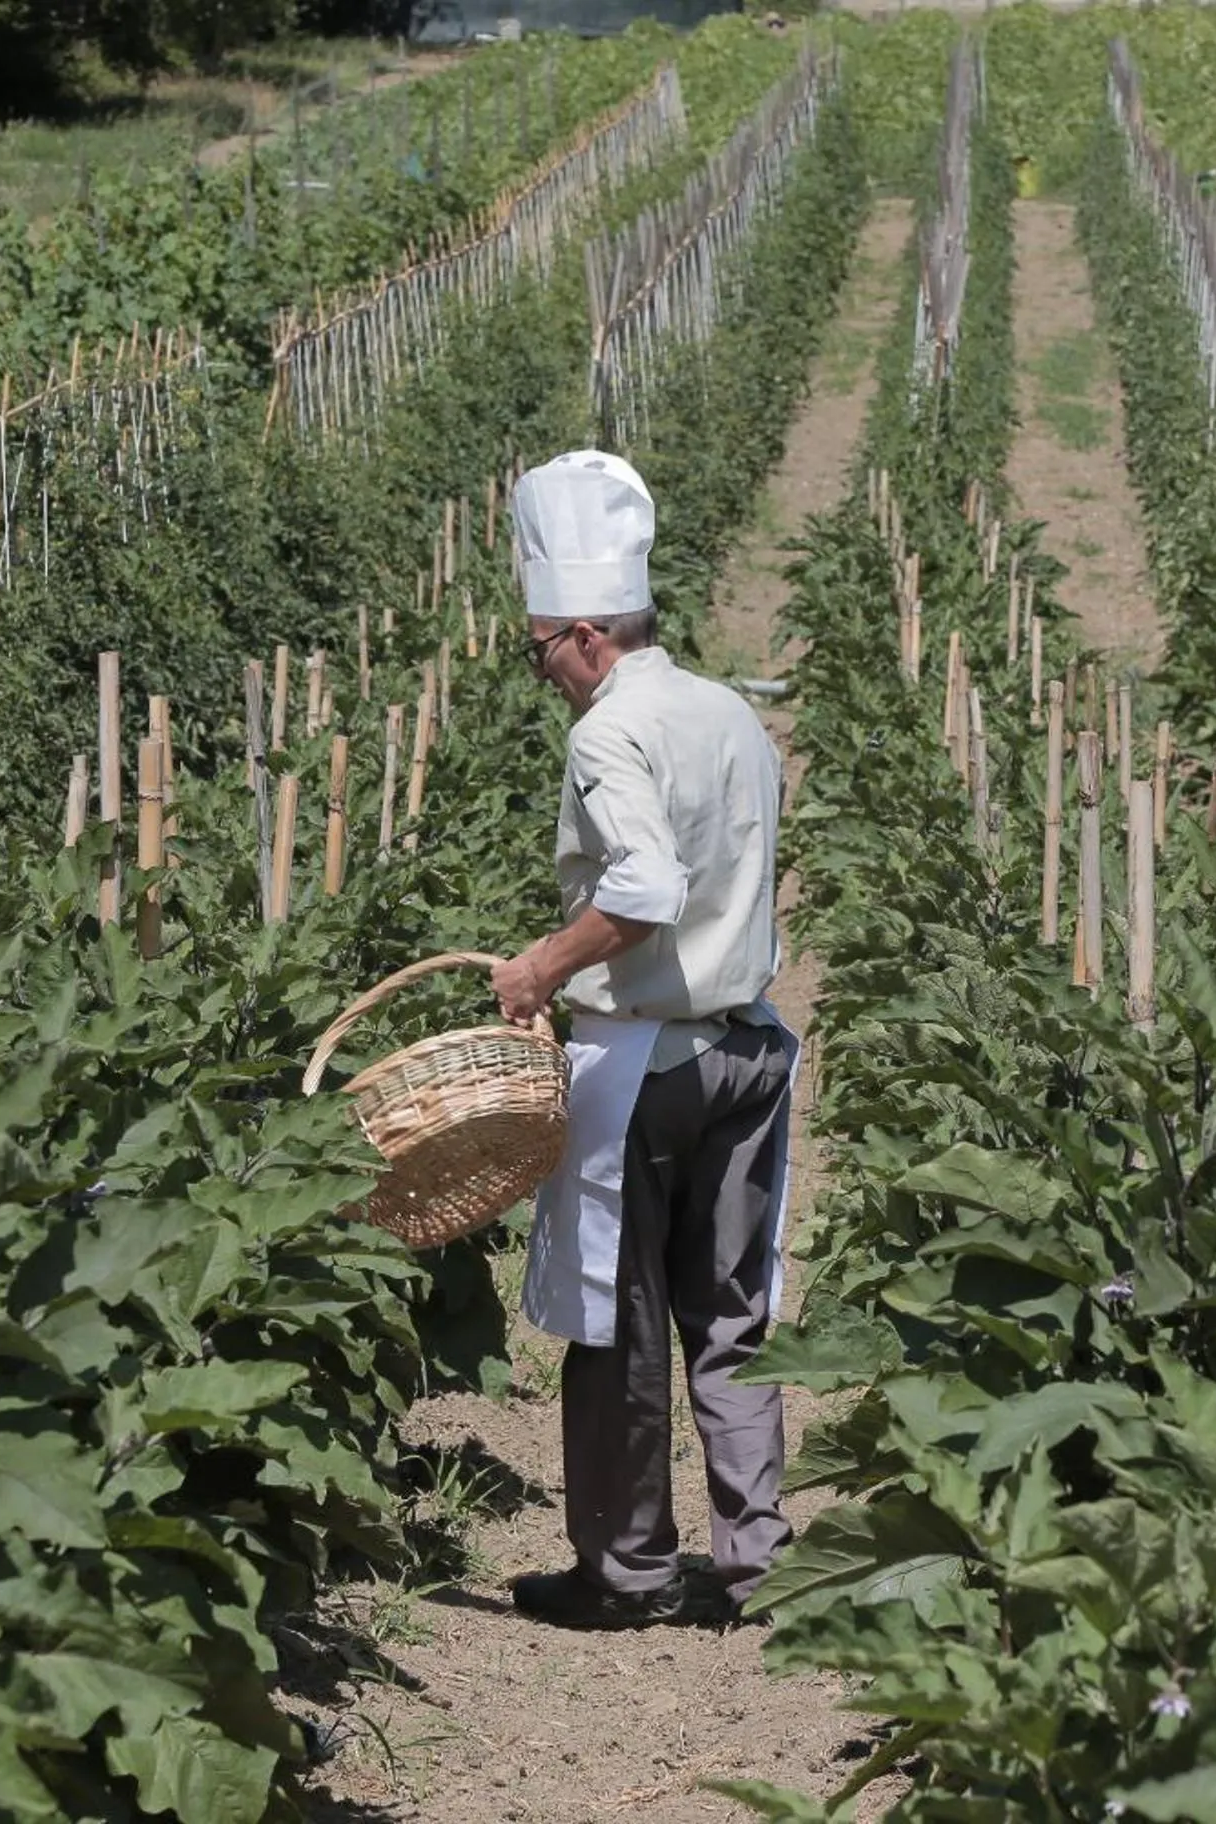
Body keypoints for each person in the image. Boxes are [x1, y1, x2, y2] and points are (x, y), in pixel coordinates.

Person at [490, 448, 796, 1631]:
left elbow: (645, 887)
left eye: (539, 655)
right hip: (748, 1053)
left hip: (650, 1063)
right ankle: (759, 1566)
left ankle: (626, 1573)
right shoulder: (730, 713)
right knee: (729, 1315)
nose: (546, 678)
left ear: (582, 635)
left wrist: (539, 969)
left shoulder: (607, 733)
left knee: (613, 1322)